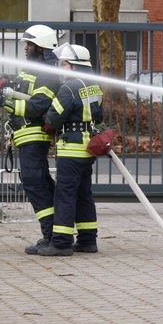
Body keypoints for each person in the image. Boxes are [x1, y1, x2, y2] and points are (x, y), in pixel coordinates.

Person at [0, 24, 61, 255]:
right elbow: (20, 93)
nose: (26, 48)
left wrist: (5, 102)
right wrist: (4, 85)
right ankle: (56, 233)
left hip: (34, 135)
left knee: (34, 182)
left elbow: (36, 107)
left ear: (42, 48)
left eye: (30, 44)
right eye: (26, 44)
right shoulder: (29, 70)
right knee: (41, 182)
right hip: (23, 136)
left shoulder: (49, 75)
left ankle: (52, 235)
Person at [39, 43, 104, 256]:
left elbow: (52, 119)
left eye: (64, 64)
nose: (61, 68)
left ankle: (61, 243)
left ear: (75, 66)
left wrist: (46, 124)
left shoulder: (68, 88)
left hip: (70, 150)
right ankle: (87, 240)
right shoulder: (95, 87)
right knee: (84, 194)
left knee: (64, 196)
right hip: (87, 151)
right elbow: (99, 117)